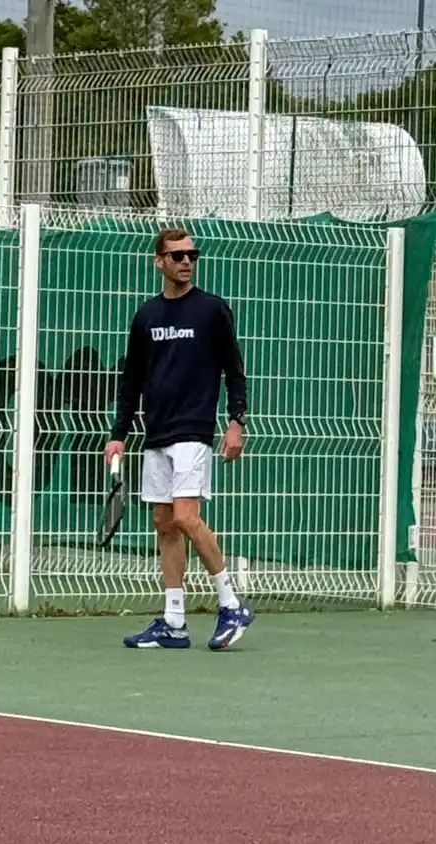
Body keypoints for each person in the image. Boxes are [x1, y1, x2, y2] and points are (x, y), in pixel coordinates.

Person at [105, 227, 254, 651]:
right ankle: (173, 621)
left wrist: (235, 421)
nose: (186, 261)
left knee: (187, 519)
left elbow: (234, 369)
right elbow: (131, 380)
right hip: (156, 434)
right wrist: (119, 436)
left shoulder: (211, 310)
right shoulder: (146, 316)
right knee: (165, 525)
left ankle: (230, 604)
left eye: (192, 254)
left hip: (193, 430)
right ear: (160, 262)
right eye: (177, 256)